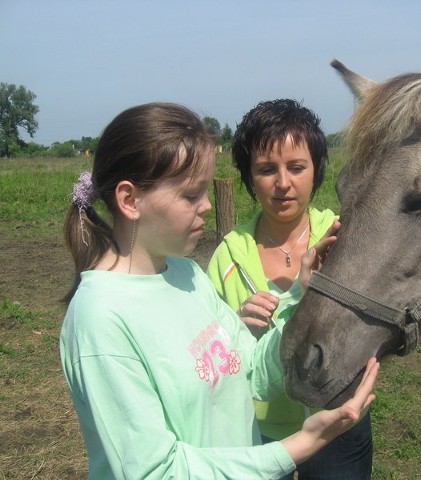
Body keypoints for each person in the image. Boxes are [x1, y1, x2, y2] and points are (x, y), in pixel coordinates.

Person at [59, 102, 379, 479]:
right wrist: (297, 446)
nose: (208, 206)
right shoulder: (101, 319)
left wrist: (298, 296)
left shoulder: (186, 275)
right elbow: (155, 471)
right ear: (130, 200)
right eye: (190, 195)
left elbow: (250, 370)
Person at [207, 99, 374, 479]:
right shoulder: (227, 255)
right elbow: (209, 350)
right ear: (249, 178)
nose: (283, 183)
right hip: (256, 428)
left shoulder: (342, 239)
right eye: (267, 169)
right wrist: (235, 325)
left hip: (337, 419)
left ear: (316, 171)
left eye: (296, 167)